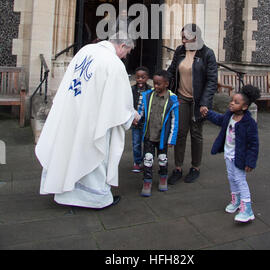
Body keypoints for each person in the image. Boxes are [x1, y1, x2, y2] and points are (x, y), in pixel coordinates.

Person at [35, 32, 140, 209]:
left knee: (68, 151)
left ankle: (65, 192)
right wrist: (131, 115)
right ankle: (94, 198)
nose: (126, 56)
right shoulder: (113, 63)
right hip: (94, 120)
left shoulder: (86, 51)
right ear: (122, 46)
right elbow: (119, 101)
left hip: (72, 112)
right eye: (127, 52)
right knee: (94, 154)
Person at [167, 24, 218, 185]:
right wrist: (161, 82)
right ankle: (178, 168)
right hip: (181, 97)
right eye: (181, 37)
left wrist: (205, 103)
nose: (182, 41)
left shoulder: (207, 53)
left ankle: (195, 167)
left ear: (196, 37)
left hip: (198, 101)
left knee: (196, 134)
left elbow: (211, 81)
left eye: (186, 38)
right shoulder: (180, 51)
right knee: (180, 133)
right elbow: (172, 70)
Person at [201, 85, 260, 223]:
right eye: (232, 100)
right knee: (231, 177)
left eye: (236, 102)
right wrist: (208, 113)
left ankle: (247, 210)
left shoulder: (249, 123)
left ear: (244, 107)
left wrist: (250, 162)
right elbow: (220, 120)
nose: (232, 103)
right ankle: (236, 201)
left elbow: (253, 144)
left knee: (240, 180)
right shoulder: (230, 115)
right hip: (228, 154)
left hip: (240, 157)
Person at [139, 70, 179, 197]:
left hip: (162, 137)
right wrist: (137, 120)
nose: (155, 86)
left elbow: (174, 120)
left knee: (162, 159)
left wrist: (172, 138)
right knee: (148, 159)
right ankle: (147, 182)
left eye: (159, 84)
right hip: (149, 135)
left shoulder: (172, 100)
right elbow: (142, 111)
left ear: (166, 84)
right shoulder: (148, 95)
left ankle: (163, 177)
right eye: (154, 83)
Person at [131, 66, 151, 173]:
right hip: (135, 122)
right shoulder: (132, 90)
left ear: (147, 78)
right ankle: (137, 162)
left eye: (143, 77)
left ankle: (146, 161)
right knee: (136, 143)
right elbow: (129, 105)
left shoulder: (150, 91)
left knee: (147, 142)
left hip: (146, 122)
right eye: (138, 77)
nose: (140, 79)